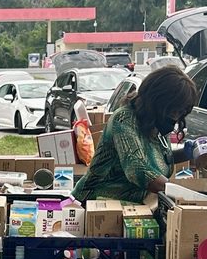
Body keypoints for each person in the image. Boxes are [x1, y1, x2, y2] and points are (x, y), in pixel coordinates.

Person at [72, 66, 199, 204]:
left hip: (133, 206)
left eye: (180, 112)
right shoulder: (124, 119)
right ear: (159, 102)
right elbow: (138, 169)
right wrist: (185, 196)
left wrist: (189, 153)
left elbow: (160, 158)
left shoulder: (155, 124)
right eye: (174, 111)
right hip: (97, 204)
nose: (176, 117)